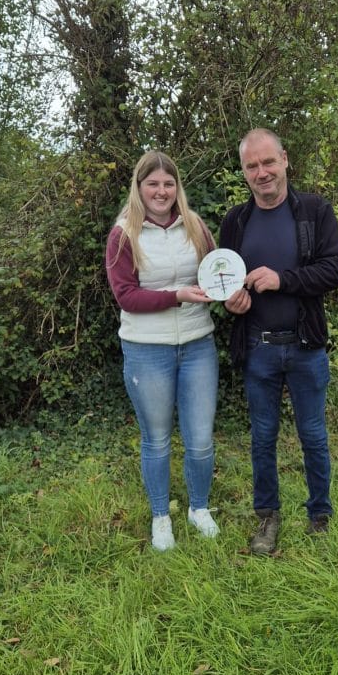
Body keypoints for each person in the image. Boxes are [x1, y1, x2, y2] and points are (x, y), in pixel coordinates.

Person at [220, 128, 338, 555]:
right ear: (244, 172)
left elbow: (334, 272)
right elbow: (225, 284)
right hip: (258, 348)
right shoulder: (235, 222)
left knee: (313, 434)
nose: (261, 172)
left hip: (306, 345)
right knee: (262, 437)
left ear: (285, 159)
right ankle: (268, 518)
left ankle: (319, 516)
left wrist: (282, 279)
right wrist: (232, 304)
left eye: (268, 162)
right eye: (252, 166)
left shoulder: (314, 211)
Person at [105, 151, 219, 551]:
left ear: (177, 187)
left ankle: (198, 508)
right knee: (156, 439)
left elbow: (216, 271)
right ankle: (160, 516)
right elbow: (126, 296)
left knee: (201, 439)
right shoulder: (124, 233)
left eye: (168, 184)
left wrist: (231, 290)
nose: (161, 191)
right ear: (139, 188)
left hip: (198, 344)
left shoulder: (195, 225)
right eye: (152, 184)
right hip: (146, 350)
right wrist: (177, 295)